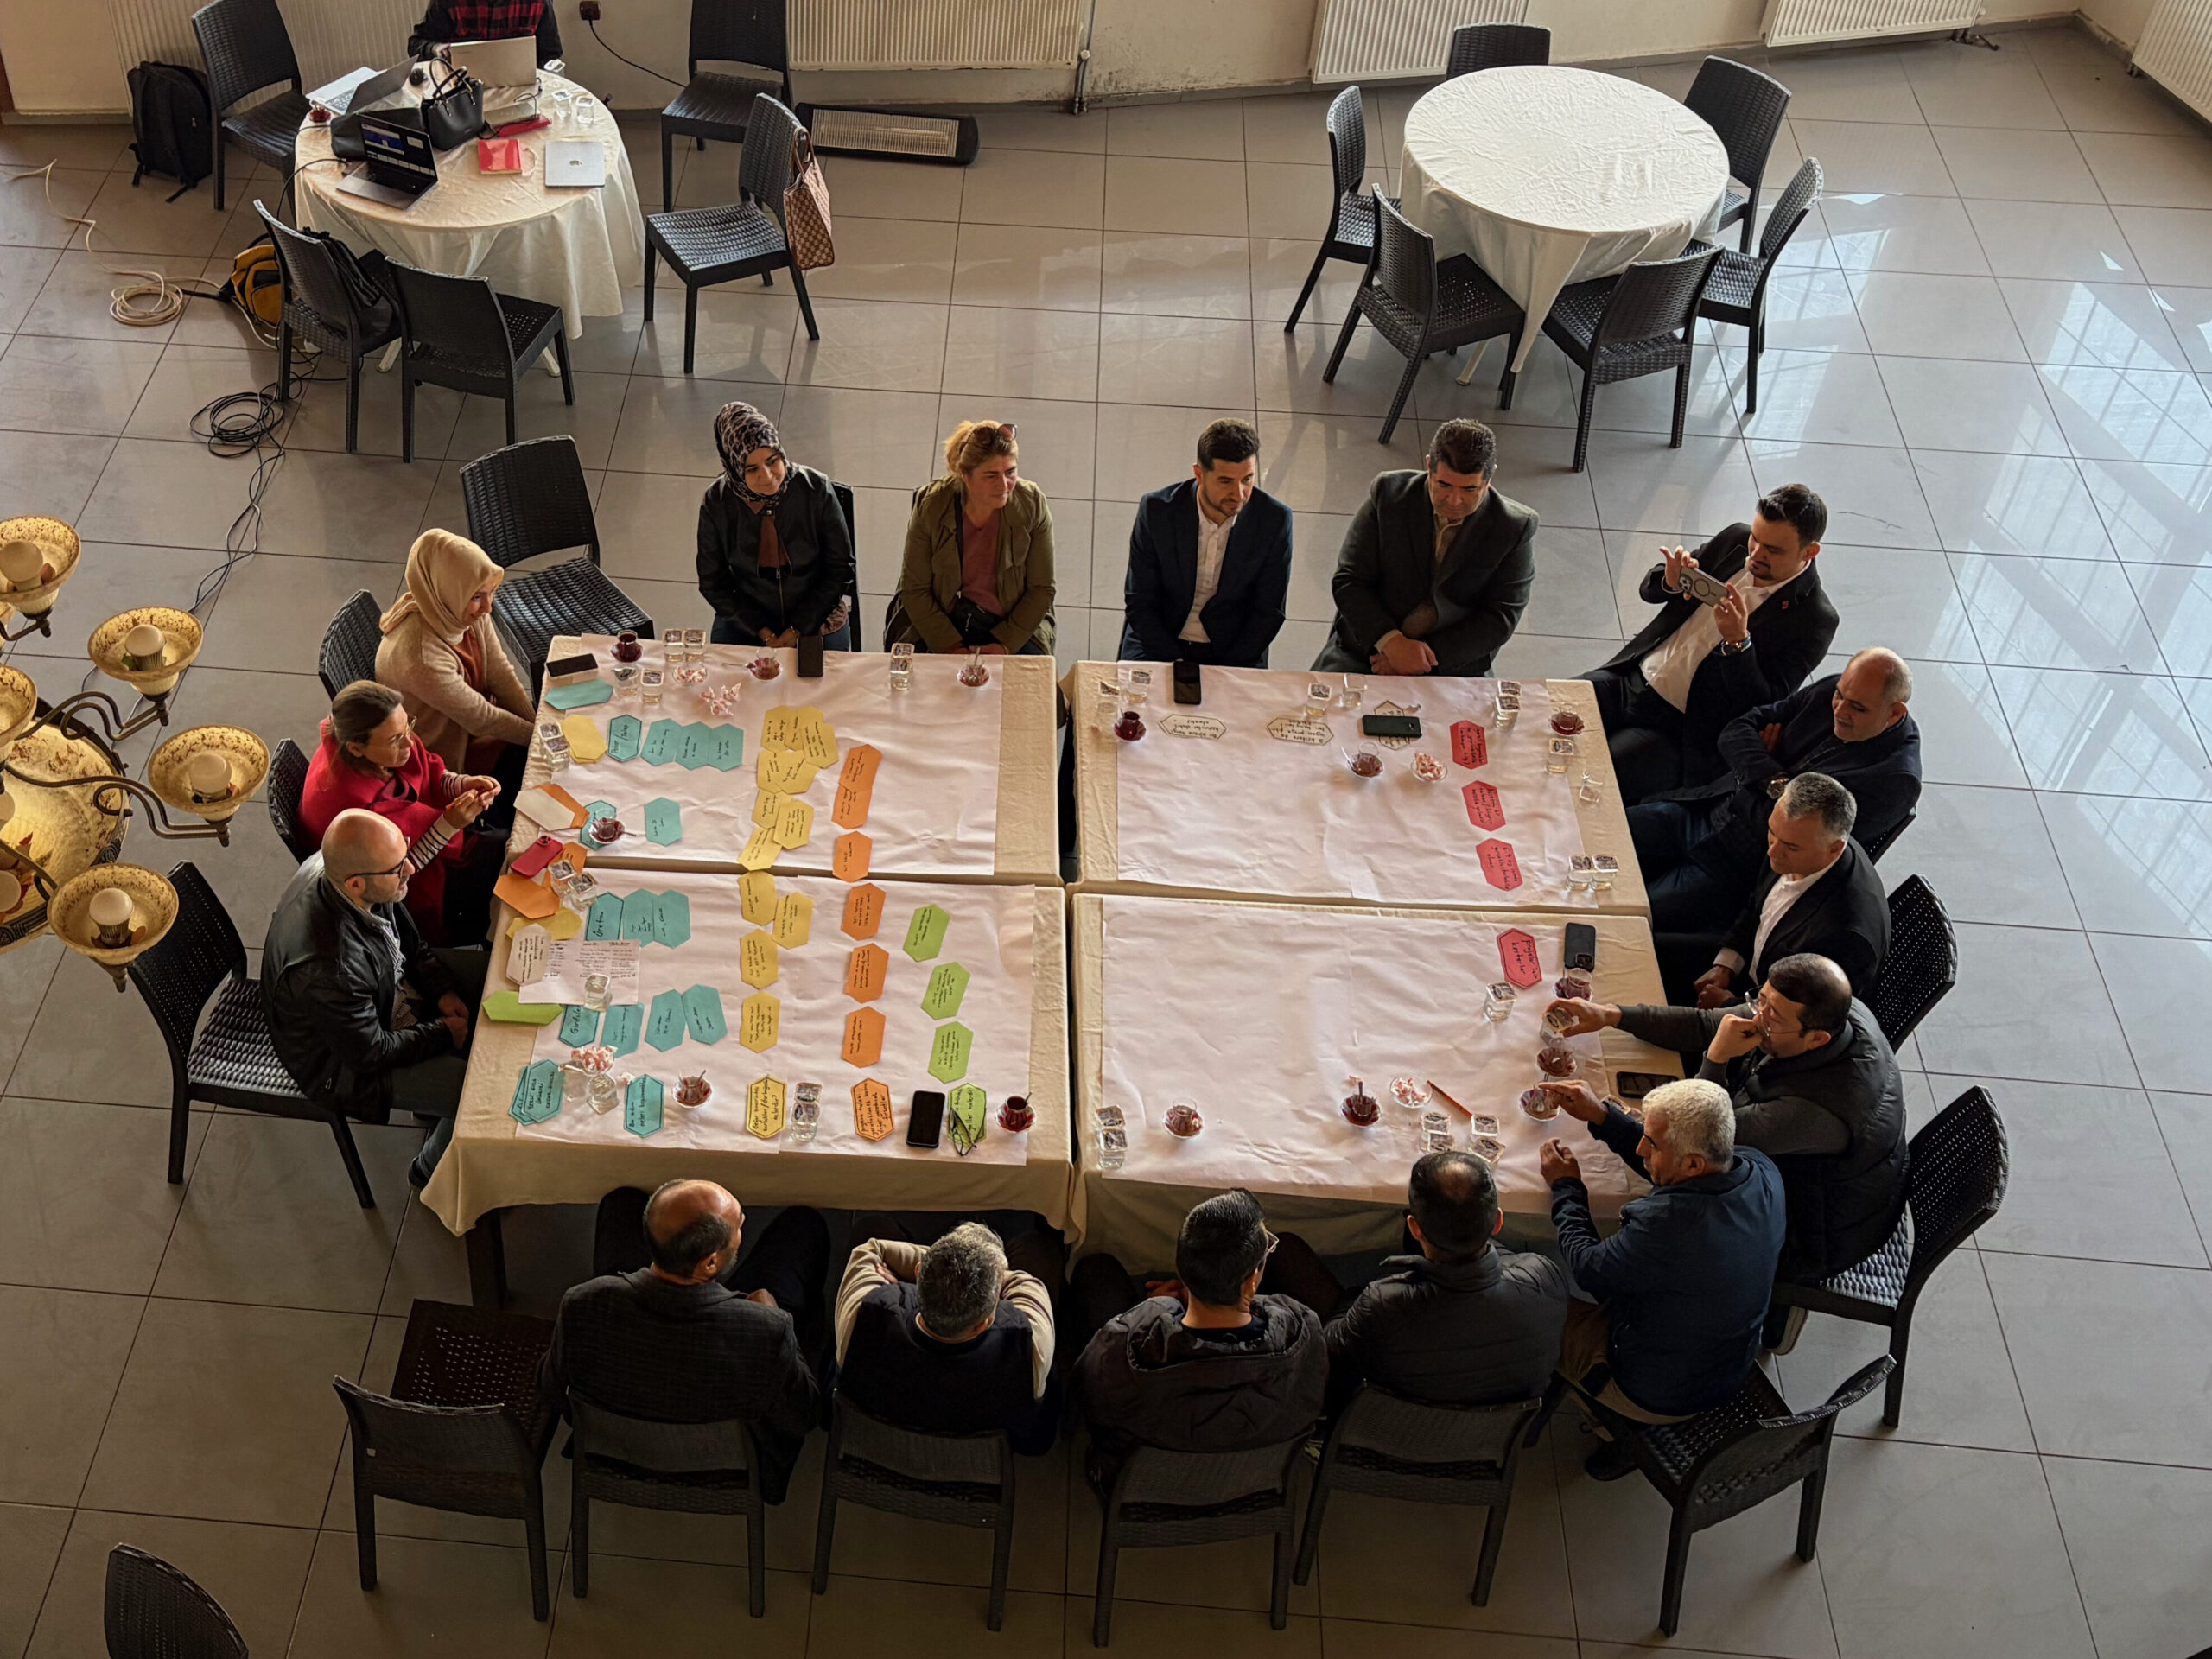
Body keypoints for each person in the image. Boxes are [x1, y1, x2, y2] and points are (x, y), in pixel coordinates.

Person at [1545, 952, 1907, 1302]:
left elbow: (1693, 1144)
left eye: (1772, 1017)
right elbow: (1707, 1025)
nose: (1758, 1018)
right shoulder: (1827, 1009)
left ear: (1817, 1039)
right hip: (1825, 1183)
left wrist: (1715, 1059)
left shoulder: (1813, 1114)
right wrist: (1610, 1015)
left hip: (1810, 1235)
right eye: (1760, 1000)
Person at [1541, 1079, 1783, 1472]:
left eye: (1651, 1143)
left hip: (1657, 1391)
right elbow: (1668, 1164)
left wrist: (1566, 1187)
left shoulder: (1668, 1227)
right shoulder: (1760, 1169)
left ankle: (1614, 1424)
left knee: (1531, 1295)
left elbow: (1588, 1268)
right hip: (1728, 1363)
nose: (1641, 1149)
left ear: (1693, 1165)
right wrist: (1603, 1118)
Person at [541, 1179, 829, 1504]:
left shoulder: (582, 1304)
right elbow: (804, 1415)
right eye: (738, 1225)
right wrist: (775, 1316)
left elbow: (552, 1389)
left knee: (622, 1201)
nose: (743, 1223)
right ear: (710, 1263)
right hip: (731, 1465)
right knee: (804, 1225)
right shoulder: (765, 1329)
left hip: (616, 1450)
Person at [263, 810, 485, 1192]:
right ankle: (429, 1170)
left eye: (405, 854)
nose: (410, 869)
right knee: (477, 1091)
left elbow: (408, 943)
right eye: (398, 868)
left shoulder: (360, 875)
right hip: (343, 1065)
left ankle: (429, 1104)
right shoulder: (328, 968)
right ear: (355, 884)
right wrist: (442, 1033)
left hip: (380, 994)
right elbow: (371, 1053)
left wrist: (442, 990)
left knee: (490, 977)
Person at [1630, 648, 1921, 936]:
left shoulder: (1895, 781)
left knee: (1626, 912)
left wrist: (1750, 773)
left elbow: (1800, 839)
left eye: (1858, 708)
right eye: (1840, 695)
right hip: (1702, 812)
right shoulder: (1835, 690)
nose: (1840, 710)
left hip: (1740, 869)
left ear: (1895, 713)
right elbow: (1737, 729)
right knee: (1606, 839)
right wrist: (1773, 779)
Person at [1583, 484, 1839, 804]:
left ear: (1810, 552)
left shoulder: (1814, 619)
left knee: (1592, 776)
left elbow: (1764, 705)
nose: (1756, 554)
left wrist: (1738, 644)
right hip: (1629, 679)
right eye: (1756, 539)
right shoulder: (1735, 541)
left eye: (1773, 550)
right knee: (1541, 712)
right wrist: (1670, 581)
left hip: (1678, 727)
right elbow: (1650, 590)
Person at [1070, 1190, 1327, 1493]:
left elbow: (1086, 1395)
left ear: (1179, 1268)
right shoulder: (1303, 1330)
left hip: (1146, 1486)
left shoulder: (1123, 1345)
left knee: (1097, 1271)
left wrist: (1154, 1309)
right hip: (1253, 1484)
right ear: (1251, 1282)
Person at [1317, 1151, 1569, 1417]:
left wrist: (1356, 1298)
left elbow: (1329, 1346)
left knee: (1291, 1250)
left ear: (1414, 1227)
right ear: (1497, 1222)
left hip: (1395, 1426)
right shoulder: (1544, 1276)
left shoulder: (1382, 1304)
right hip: (1489, 1436)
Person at [1314, 418, 1536, 679]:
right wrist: (1392, 644)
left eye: (1469, 489)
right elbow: (1349, 581)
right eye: (1444, 485)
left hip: (1452, 662)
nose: (1454, 500)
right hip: (1369, 649)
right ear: (1429, 466)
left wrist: (1420, 660)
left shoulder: (1513, 527)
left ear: (1490, 478)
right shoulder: (1389, 495)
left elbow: (1501, 616)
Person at [299, 680, 503, 947]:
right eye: (395, 739)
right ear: (356, 748)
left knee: (510, 848)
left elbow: (429, 773)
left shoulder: (368, 743)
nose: (409, 742)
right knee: (508, 872)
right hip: (406, 891)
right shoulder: (357, 813)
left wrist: (462, 784)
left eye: (408, 726)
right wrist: (450, 824)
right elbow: (398, 873)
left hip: (431, 841)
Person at [833, 1218, 1059, 1455]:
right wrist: (986, 1275)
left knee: (872, 1226)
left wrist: (937, 1268)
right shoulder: (1030, 1342)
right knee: (1037, 1249)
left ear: (918, 1273)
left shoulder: (861, 1315)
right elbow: (1025, 1283)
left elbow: (875, 1249)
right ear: (984, 1323)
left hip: (882, 1419)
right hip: (994, 1437)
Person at [1675, 772, 1890, 1007]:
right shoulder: (1795, 840)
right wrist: (1726, 964)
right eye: (1772, 833)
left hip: (1768, 1010)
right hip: (1747, 965)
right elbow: (1758, 906)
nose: (1772, 852)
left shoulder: (1846, 936)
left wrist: (1731, 1004)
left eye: (1791, 847)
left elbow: (1810, 1013)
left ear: (1834, 849)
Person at [374, 529, 533, 812]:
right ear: (449, 591)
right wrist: (538, 738)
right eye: (478, 597)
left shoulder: (453, 607)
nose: (488, 607)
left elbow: (500, 674)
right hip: (447, 755)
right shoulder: (419, 655)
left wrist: (536, 724)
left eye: (491, 593)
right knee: (537, 779)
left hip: (476, 721)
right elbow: (481, 719)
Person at [1118, 418, 1294, 668]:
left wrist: (1224, 671)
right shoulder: (1158, 511)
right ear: (1199, 474)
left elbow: (1269, 612)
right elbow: (1140, 600)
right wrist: (1178, 666)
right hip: (1159, 643)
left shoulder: (1274, 520)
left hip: (1234, 651)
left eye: (1247, 479)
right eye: (1226, 481)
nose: (1239, 494)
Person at [696, 401, 856, 651]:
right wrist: (762, 632)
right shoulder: (717, 501)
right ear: (735, 469)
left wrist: (799, 628)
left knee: (824, 673)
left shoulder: (816, 489)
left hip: (816, 609)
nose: (768, 476)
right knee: (729, 673)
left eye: (773, 461)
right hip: (747, 615)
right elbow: (712, 583)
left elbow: (840, 569)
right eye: (752, 469)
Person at [888, 420, 1054, 657]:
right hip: (941, 616)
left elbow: (1041, 589)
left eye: (1010, 472)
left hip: (1012, 620)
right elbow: (914, 589)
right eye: (991, 476)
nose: (1004, 485)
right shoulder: (932, 504)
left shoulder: (1032, 503)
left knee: (1033, 678)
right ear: (965, 475)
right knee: (916, 678)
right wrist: (949, 645)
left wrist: (1005, 644)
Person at [412, 0, 562, 66]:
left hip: (524, 95)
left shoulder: (538, 2)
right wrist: (434, 49)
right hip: (461, 97)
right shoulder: (448, 2)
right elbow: (415, 45)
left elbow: (550, 56)